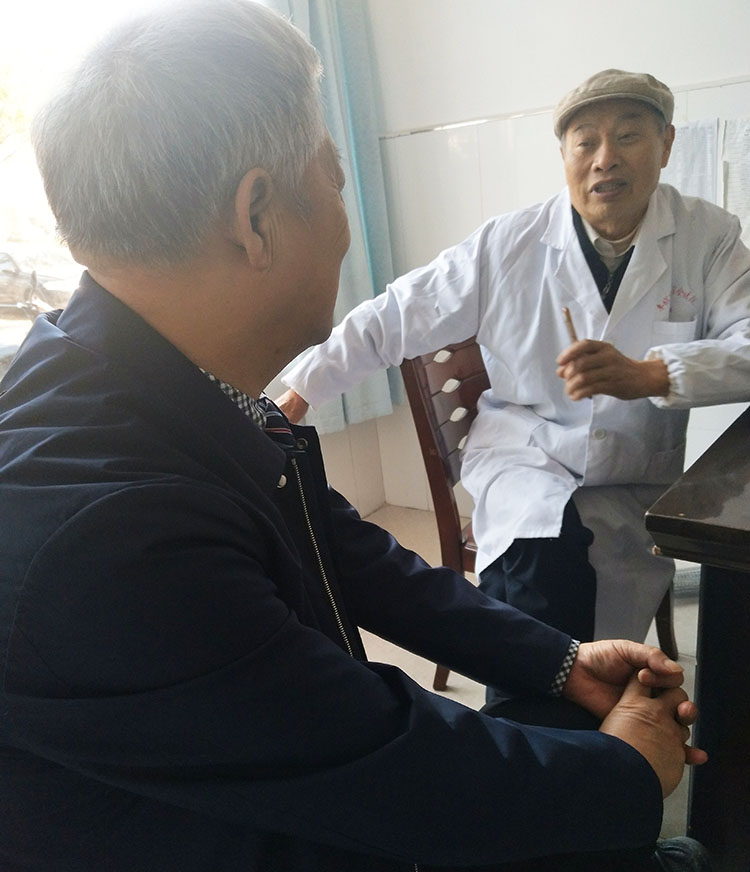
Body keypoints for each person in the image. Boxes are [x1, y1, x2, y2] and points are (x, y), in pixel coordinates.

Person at [0, 7, 709, 870]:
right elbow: (385, 762)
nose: (345, 219)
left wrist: (559, 660)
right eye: (334, 178)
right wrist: (626, 774)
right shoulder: (105, 536)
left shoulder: (163, 384)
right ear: (256, 215)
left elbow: (345, 551)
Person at [278, 67, 750, 649]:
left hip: (631, 474)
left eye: (629, 136)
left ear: (667, 144)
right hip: (526, 455)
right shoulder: (508, 243)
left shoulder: (708, 237)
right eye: (586, 142)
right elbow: (397, 313)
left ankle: (561, 692)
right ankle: (546, 693)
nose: (605, 159)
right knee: (538, 581)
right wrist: (302, 390)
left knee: (591, 617)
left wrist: (654, 373)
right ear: (564, 155)